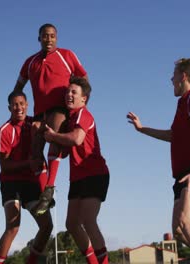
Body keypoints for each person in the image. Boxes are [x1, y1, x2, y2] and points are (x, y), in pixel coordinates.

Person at [126, 58, 190, 264]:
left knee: (186, 221)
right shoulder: (182, 104)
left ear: (183, 76)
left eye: (173, 75)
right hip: (183, 172)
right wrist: (141, 128)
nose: (171, 79)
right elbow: (172, 136)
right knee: (180, 231)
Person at [13, 23, 88, 215]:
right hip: (39, 112)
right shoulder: (30, 62)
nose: (49, 39)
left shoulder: (67, 55)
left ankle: (50, 187)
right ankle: (45, 195)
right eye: (45, 36)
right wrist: (17, 103)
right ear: (39, 38)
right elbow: (19, 86)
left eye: (53, 36)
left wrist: (81, 104)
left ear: (57, 38)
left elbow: (84, 78)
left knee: (52, 137)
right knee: (35, 152)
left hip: (59, 109)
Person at [44, 76, 109, 264]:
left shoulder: (83, 114)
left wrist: (54, 136)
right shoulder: (70, 119)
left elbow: (76, 139)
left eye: (74, 92)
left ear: (84, 99)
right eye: (67, 91)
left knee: (88, 221)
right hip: (78, 177)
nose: (69, 95)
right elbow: (65, 149)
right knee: (71, 224)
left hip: (95, 174)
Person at [0, 91, 53, 264]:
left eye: (21, 103)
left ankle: (31, 261)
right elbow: (4, 166)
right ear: (9, 108)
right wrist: (28, 163)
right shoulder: (5, 131)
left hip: (31, 183)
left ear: (27, 105)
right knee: (13, 227)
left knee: (47, 225)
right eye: (14, 104)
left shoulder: (36, 125)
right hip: (11, 183)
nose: (18, 107)